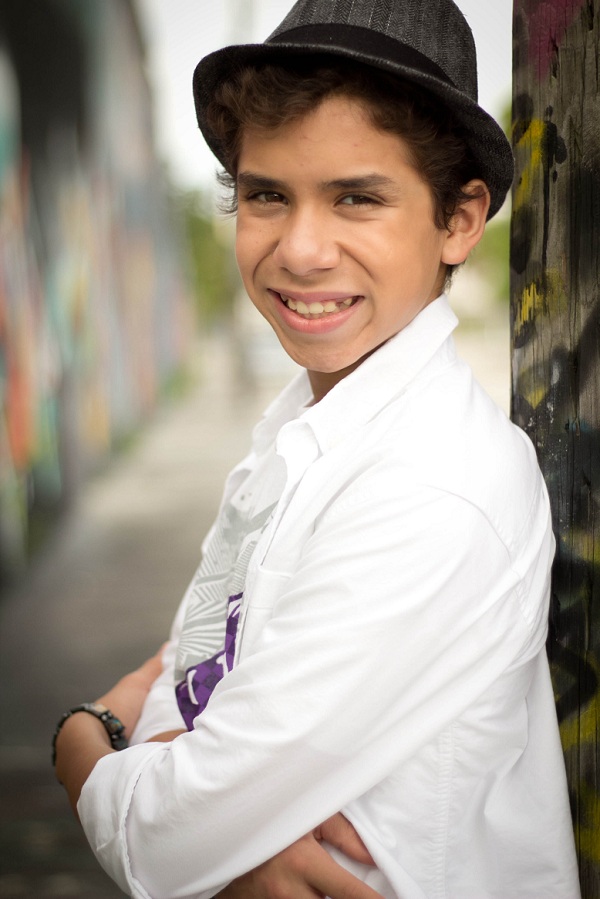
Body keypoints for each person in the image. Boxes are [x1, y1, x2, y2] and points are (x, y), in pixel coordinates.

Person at [52, 1, 582, 897]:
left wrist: (80, 741)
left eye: (356, 198)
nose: (299, 250)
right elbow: (188, 682)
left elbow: (159, 840)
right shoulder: (301, 430)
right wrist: (172, 782)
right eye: (267, 195)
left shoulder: (433, 485)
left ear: (459, 220)